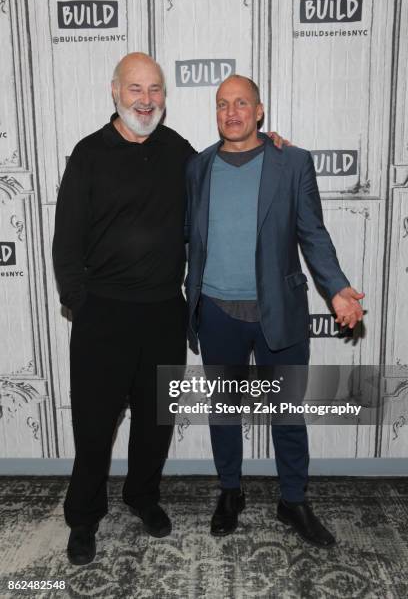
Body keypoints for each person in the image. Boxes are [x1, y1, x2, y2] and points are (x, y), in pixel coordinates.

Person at [53, 53, 285, 566]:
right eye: (136, 88)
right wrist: (80, 304)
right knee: (94, 427)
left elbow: (233, 160)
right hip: (103, 317)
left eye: (155, 89)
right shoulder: (88, 154)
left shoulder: (181, 152)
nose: (146, 99)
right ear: (115, 91)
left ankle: (142, 497)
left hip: (163, 313)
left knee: (155, 424)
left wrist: (273, 144)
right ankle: (83, 518)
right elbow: (65, 242)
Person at [185, 74, 364, 547]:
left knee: (286, 412)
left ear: (260, 111)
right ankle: (230, 492)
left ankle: (293, 501)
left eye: (241, 103)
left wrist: (338, 288)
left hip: (277, 313)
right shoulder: (198, 167)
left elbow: (313, 233)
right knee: (224, 411)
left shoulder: (293, 162)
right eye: (223, 104)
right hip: (217, 310)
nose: (232, 112)